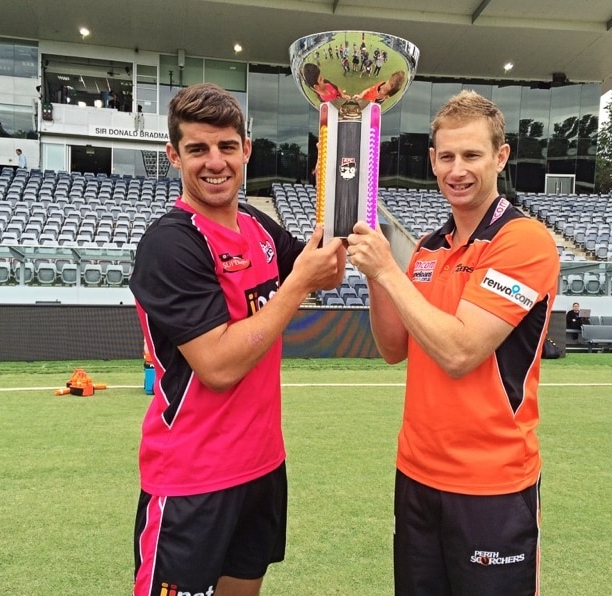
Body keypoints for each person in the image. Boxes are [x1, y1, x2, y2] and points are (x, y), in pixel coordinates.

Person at [129, 83, 346, 596]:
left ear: (246, 149)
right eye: (198, 149)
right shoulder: (170, 243)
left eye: (227, 147)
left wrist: (341, 193)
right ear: (173, 155)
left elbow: (328, 271)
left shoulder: (257, 225)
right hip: (191, 478)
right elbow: (219, 366)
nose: (215, 162)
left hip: (262, 467)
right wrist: (296, 285)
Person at [347, 90, 560, 595]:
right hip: (417, 475)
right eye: (446, 156)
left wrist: (386, 271)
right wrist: (377, 276)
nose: (457, 170)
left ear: (500, 157)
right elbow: (393, 347)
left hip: (491, 485)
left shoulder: (523, 240)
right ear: (432, 160)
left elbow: (461, 352)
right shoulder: (427, 249)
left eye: (472, 155)